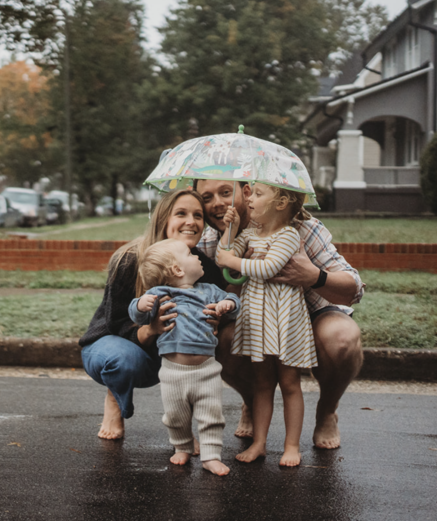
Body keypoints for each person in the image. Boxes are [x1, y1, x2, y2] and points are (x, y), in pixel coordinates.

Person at [194, 178, 364, 450]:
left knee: (340, 339)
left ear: (247, 192)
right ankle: (251, 402)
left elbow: (354, 288)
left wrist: (315, 276)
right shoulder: (210, 240)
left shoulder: (299, 229)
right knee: (218, 338)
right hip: (257, 317)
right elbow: (217, 280)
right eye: (206, 197)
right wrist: (235, 259)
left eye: (226, 193)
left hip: (308, 313)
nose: (217, 203)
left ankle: (327, 410)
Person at [79, 188, 228, 441]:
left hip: (172, 355)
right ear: (163, 219)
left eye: (198, 215)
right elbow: (114, 324)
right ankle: (115, 398)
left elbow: (222, 302)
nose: (191, 222)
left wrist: (217, 316)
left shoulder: (202, 267)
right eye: (181, 213)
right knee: (121, 360)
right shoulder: (129, 260)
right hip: (116, 344)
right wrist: (151, 329)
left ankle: (189, 430)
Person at [216, 183, 316, 467]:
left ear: (281, 202)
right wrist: (230, 230)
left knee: (289, 381)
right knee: (261, 382)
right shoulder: (249, 233)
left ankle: (291, 445)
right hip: (258, 318)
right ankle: (259, 443)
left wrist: (233, 259)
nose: (250, 199)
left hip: (283, 319)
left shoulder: (287, 235)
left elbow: (268, 268)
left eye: (258, 194)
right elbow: (223, 256)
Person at [129, 238, 240, 476]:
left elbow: (234, 301)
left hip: (207, 370)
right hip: (172, 372)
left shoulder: (209, 290)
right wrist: (140, 305)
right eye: (190, 254)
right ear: (177, 270)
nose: (197, 257)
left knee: (211, 416)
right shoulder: (159, 294)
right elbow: (138, 317)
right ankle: (182, 447)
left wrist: (228, 304)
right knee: (176, 416)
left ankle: (211, 456)